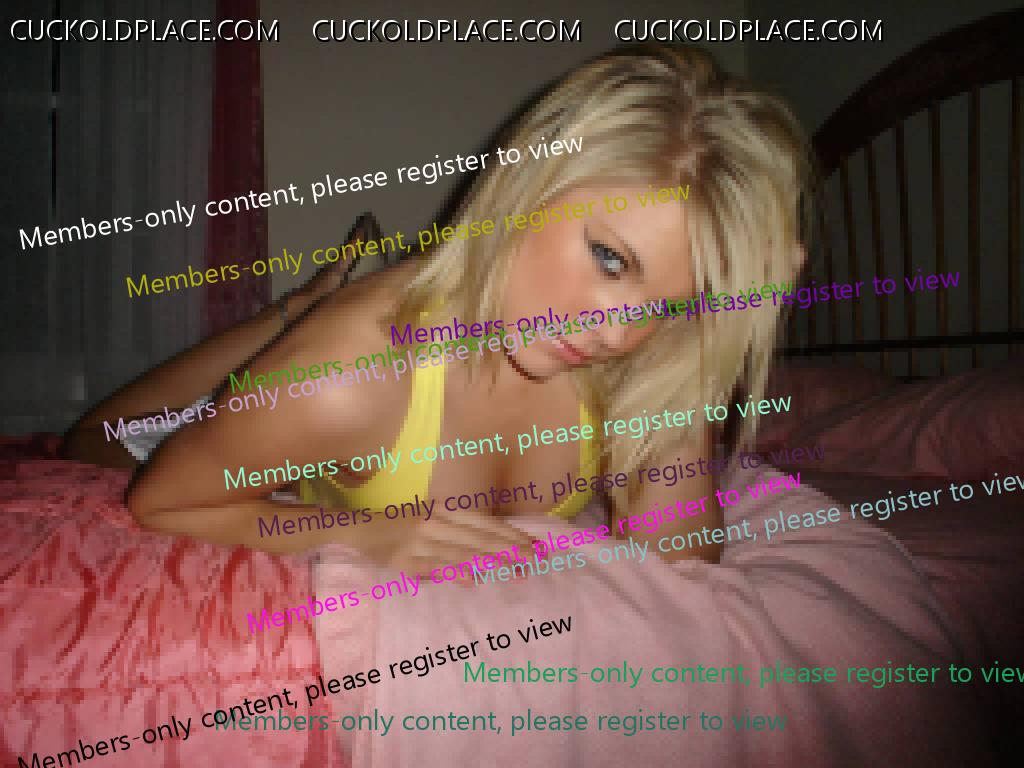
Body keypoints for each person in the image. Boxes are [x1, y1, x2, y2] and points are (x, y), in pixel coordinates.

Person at [61, 44, 812, 578]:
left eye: (674, 303)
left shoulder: (645, 354)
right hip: (348, 365)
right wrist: (362, 535)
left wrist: (712, 339)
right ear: (530, 185)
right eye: (610, 260)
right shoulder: (347, 373)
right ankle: (297, 310)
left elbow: (681, 569)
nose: (617, 332)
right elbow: (164, 501)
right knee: (88, 443)